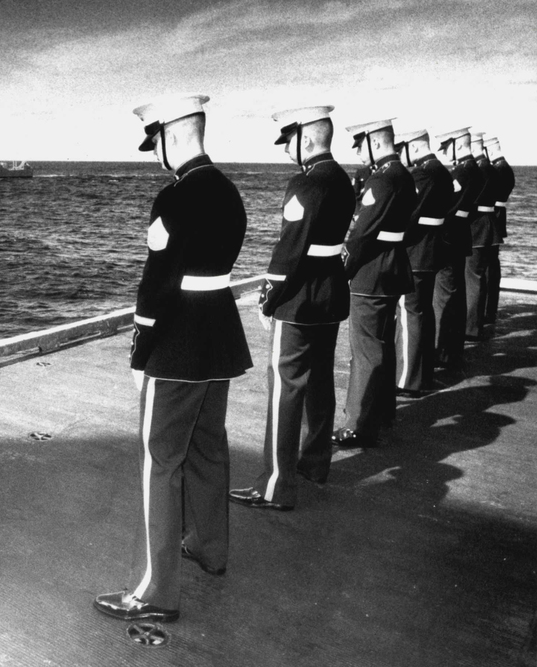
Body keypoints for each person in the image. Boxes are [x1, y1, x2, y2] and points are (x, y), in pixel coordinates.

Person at [94, 95, 251, 624]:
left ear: (171, 137)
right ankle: (211, 547)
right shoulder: (229, 191)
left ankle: (155, 591)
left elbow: (158, 282)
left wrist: (141, 348)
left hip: (179, 344)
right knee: (207, 446)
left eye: (155, 141)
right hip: (220, 338)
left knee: (160, 461)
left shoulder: (175, 196)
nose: (155, 154)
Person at [229, 105, 353, 512]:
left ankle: (275, 486)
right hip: (331, 294)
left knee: (285, 386)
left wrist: (269, 298)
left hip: (299, 298)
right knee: (318, 383)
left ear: (307, 138)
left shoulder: (305, 183)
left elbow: (289, 250)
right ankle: (315, 464)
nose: (287, 151)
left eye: (289, 142)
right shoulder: (344, 180)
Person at [333, 118, 416, 448]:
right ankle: (381, 413)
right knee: (381, 344)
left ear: (376, 142)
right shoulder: (403, 176)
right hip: (391, 267)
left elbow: (360, 235)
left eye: (361, 145)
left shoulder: (382, 180)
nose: (359, 153)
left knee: (365, 349)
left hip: (370, 273)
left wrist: (341, 274)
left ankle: (357, 425)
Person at [393, 128, 455, 398]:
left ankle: (408, 379)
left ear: (414, 148)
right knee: (423, 312)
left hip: (416, 251)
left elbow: (408, 214)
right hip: (433, 249)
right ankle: (423, 372)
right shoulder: (441, 171)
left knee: (410, 313)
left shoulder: (422, 174)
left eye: (403, 149)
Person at [431, 127, 481, 371]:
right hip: (459, 237)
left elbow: (451, 208)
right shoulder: (470, 169)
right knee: (454, 294)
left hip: (450, 238)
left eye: (446, 146)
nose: (444, 152)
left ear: (458, 144)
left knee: (445, 296)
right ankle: (451, 349)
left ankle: (443, 351)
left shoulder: (464, 171)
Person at [464, 133, 498, 341]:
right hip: (487, 225)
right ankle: (477, 321)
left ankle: (471, 327)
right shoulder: (491, 169)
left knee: (473, 278)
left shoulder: (479, 170)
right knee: (479, 277)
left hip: (476, 227)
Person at [485, 137, 515, 325]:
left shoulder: (499, 170)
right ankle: (490, 307)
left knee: (489, 268)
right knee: (491, 266)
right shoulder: (505, 168)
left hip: (493, 217)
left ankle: (489, 309)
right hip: (496, 217)